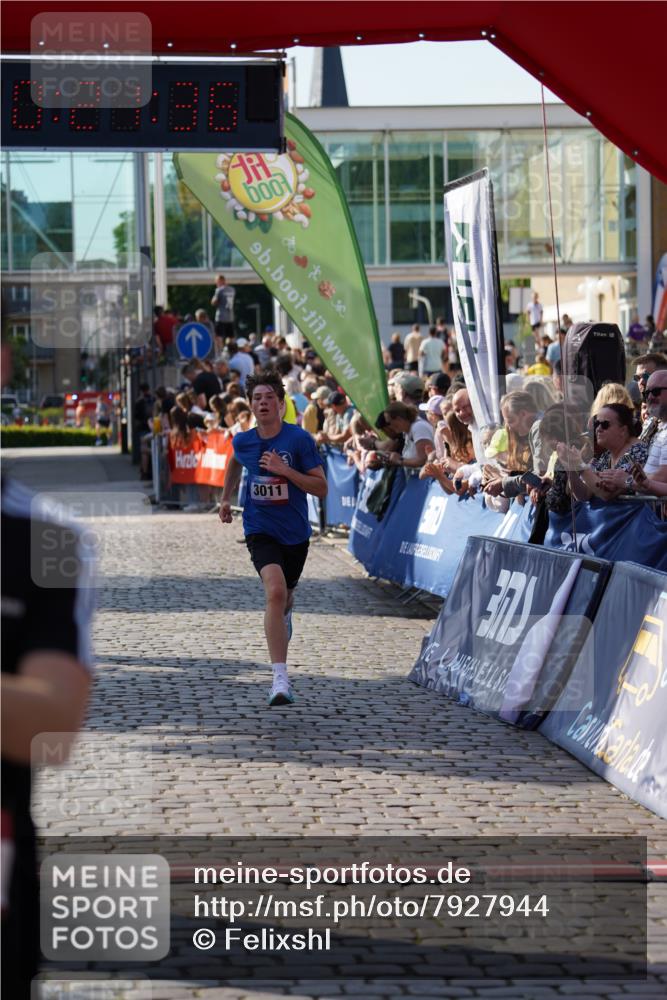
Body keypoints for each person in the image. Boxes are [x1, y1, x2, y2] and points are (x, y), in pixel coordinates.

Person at [218, 371, 327, 706]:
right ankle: (280, 679)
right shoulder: (244, 441)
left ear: (281, 405)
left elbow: (321, 489)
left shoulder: (299, 441)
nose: (262, 402)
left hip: (295, 533)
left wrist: (285, 471)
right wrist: (225, 498)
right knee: (275, 591)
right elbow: (235, 462)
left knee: (286, 596)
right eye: (257, 398)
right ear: (251, 406)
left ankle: (285, 616)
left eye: (269, 397)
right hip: (259, 527)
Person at [558, 403, 648, 500]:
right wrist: (570, 467)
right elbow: (583, 495)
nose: (598, 429)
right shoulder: (605, 456)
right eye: (597, 424)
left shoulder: (638, 450)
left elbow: (607, 494)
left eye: (605, 425)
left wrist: (580, 466)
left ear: (623, 430)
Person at [381, 400, 434, 470]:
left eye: (389, 423)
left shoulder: (418, 428)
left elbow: (422, 460)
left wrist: (399, 460)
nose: (389, 426)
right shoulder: (407, 430)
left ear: (398, 419)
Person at [211, 274, 236, 350]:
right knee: (230, 337)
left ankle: (221, 352)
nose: (216, 284)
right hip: (230, 317)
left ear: (220, 281)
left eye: (216, 282)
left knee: (218, 337)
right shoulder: (232, 289)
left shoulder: (219, 290)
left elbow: (213, 302)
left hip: (221, 317)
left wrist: (216, 295)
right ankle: (231, 350)